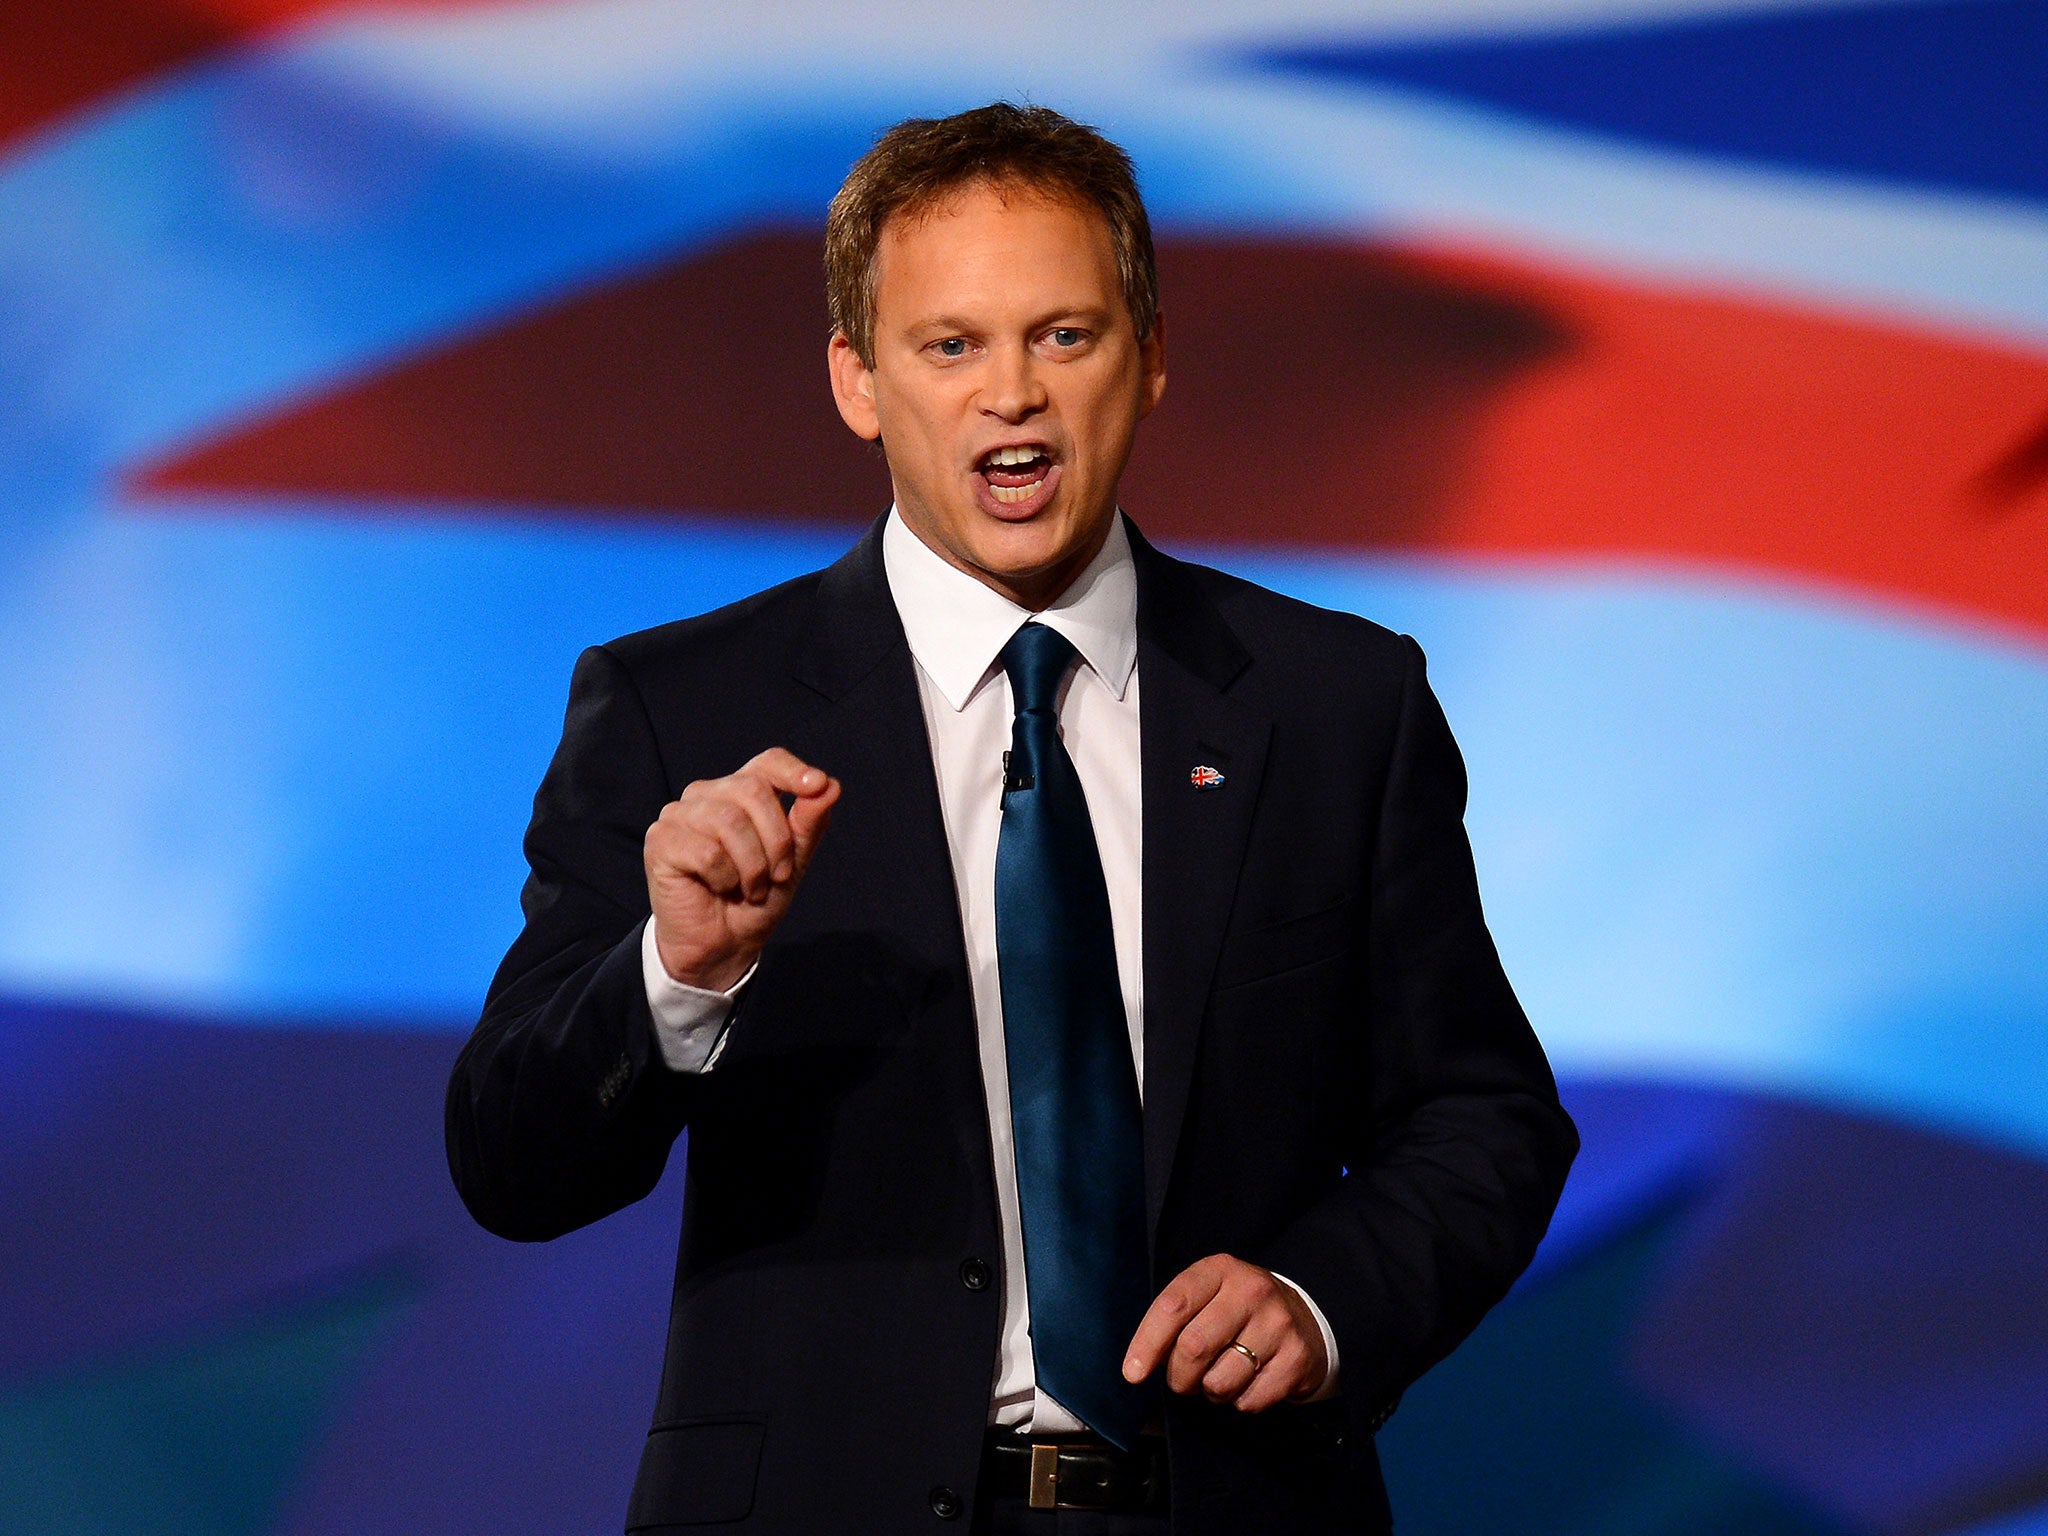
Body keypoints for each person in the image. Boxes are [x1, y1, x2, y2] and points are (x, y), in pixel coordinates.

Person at [446, 102, 1576, 1535]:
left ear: (1150, 356)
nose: (1013, 395)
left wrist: (1322, 1297)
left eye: (1064, 335)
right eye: (951, 344)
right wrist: (679, 975)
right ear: (859, 382)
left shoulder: (1336, 702)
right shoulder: (685, 706)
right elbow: (511, 1166)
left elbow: (1483, 1118)